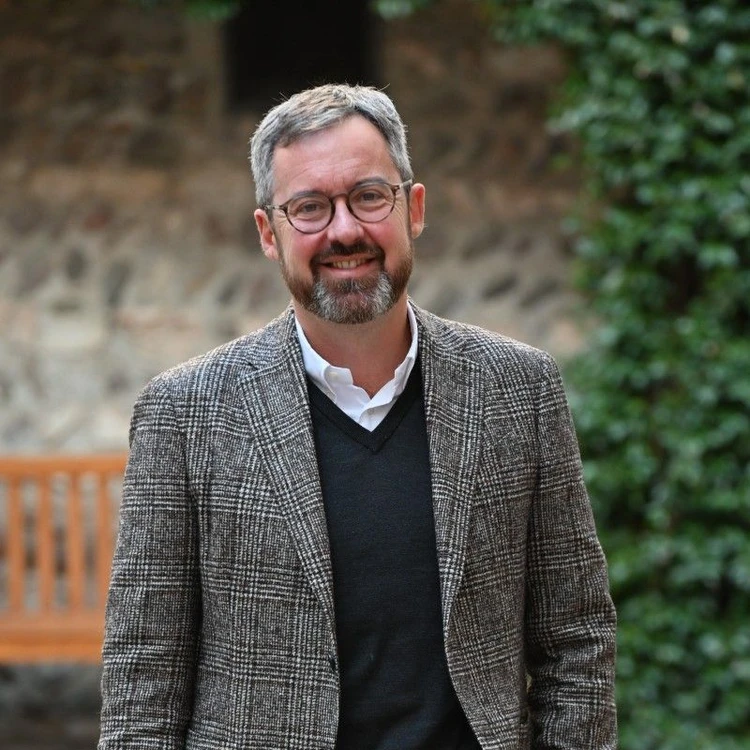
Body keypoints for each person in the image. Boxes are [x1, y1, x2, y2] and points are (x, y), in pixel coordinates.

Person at [99, 83, 617, 750]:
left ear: (414, 208)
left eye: (369, 197)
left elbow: (576, 639)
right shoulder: (185, 413)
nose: (344, 230)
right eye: (309, 207)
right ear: (269, 233)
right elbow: (144, 677)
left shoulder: (519, 390)